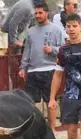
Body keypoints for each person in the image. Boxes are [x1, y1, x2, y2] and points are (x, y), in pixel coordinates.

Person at [18, 2, 66, 130]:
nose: (37, 16)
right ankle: (34, 130)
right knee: (31, 102)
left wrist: (52, 50)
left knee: (50, 101)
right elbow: (27, 50)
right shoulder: (30, 32)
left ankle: (52, 130)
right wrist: (23, 67)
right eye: (36, 13)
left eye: (40, 13)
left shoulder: (56, 30)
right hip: (33, 70)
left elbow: (63, 49)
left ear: (46, 13)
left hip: (49, 69)